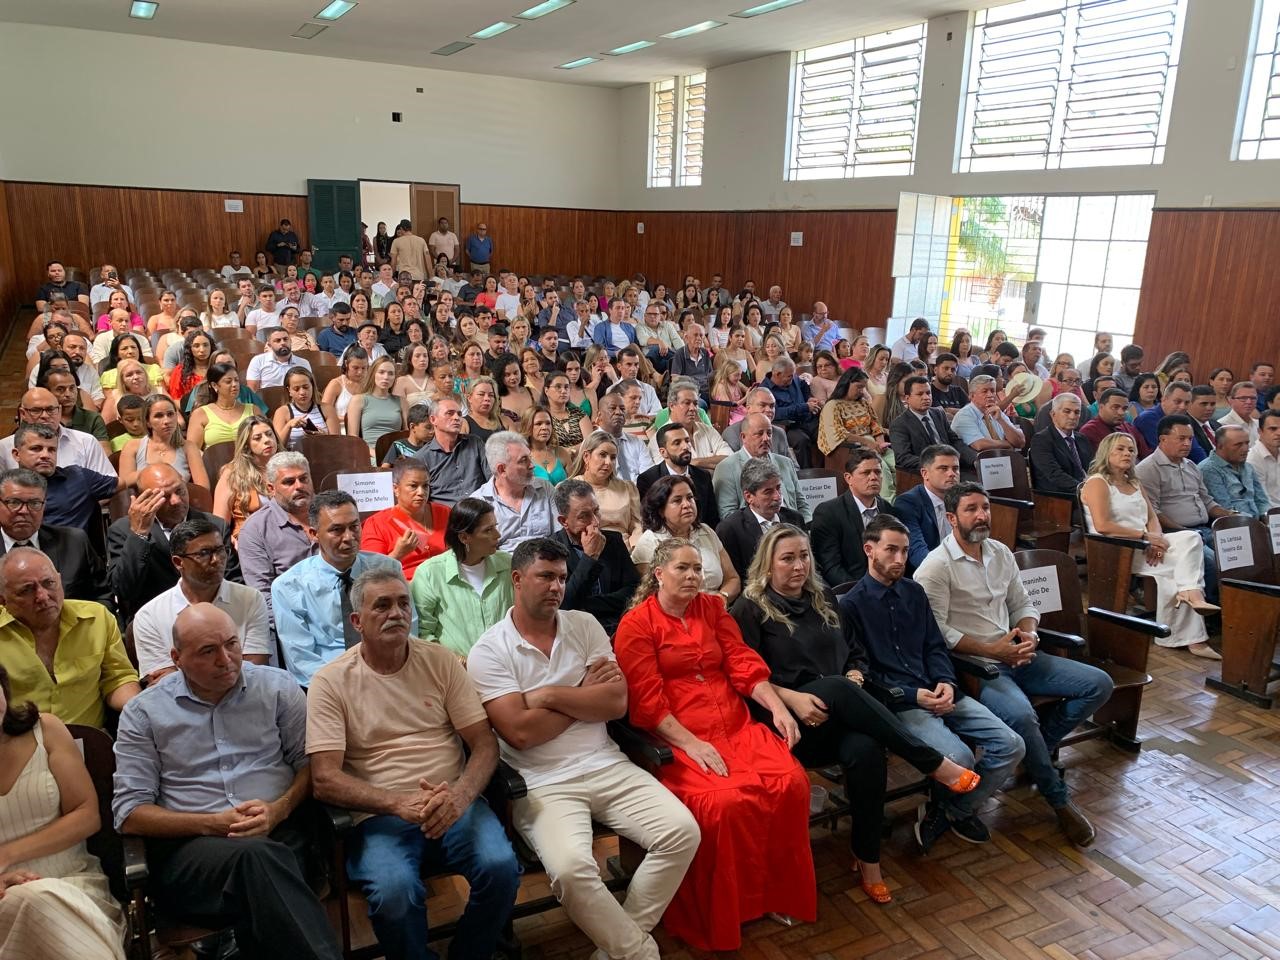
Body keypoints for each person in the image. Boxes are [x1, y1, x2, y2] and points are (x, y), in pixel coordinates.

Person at [467, 538, 699, 960]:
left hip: (606, 762)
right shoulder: (489, 650)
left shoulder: (584, 625)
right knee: (572, 871)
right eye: (545, 577)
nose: (557, 587)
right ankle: (638, 952)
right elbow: (520, 733)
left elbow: (615, 703)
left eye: (562, 578)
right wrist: (582, 694)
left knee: (682, 833)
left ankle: (619, 947)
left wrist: (549, 695)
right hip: (542, 781)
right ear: (517, 579)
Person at [730, 526, 980, 900]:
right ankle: (932, 762)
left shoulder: (824, 598)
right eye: (787, 558)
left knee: (866, 750)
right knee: (836, 688)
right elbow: (746, 679)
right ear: (767, 564)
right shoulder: (749, 609)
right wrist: (793, 699)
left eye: (804, 556)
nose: (798, 566)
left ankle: (868, 857)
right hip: (789, 722)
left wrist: (855, 674)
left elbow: (855, 653)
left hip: (841, 712)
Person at [613, 538, 815, 951]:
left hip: (736, 726)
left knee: (790, 784)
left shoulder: (712, 608)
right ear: (658, 574)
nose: (693, 576)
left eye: (697, 569)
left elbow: (742, 664)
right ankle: (726, 910)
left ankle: (772, 896)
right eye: (682, 568)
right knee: (723, 804)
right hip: (679, 735)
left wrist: (777, 707)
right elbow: (647, 702)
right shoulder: (637, 624)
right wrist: (692, 744)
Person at [307, 568, 519, 959]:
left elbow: (484, 743)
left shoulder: (440, 661)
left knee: (502, 868)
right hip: (379, 815)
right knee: (394, 893)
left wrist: (460, 797)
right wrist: (397, 803)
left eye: (404, 604)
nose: (396, 613)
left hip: (452, 801)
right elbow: (324, 779)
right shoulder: (331, 682)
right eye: (382, 605)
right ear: (356, 621)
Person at [113, 603, 341, 959]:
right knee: (259, 862)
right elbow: (129, 813)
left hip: (279, 833)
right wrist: (212, 824)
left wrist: (280, 809)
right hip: (194, 855)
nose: (226, 660)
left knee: (267, 872)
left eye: (232, 644)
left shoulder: (277, 687)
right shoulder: (145, 712)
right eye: (208, 651)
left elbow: (310, 765)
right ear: (176, 658)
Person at [914, 484, 1111, 847]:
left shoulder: (1000, 552)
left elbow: (1023, 604)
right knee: (1022, 717)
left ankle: (1036, 752)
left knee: (1099, 684)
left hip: (1017, 654)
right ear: (952, 518)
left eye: (985, 508)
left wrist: (1030, 634)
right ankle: (1057, 798)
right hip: (979, 667)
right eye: (971, 509)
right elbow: (936, 631)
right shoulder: (936, 567)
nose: (982, 515)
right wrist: (993, 650)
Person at [840, 516, 1026, 852]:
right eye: (891, 550)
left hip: (940, 689)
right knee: (960, 757)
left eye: (904, 551)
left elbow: (935, 646)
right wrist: (915, 695)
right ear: (869, 550)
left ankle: (951, 810)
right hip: (901, 703)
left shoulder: (914, 592)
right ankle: (951, 808)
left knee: (1012, 744)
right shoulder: (851, 606)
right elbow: (862, 672)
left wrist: (946, 682)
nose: (900, 559)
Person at [0, 665, 127, 959]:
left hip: (74, 884)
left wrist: (6, 855)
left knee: (41, 898)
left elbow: (87, 815)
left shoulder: (45, 729)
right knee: (34, 899)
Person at [1081, 433, 1218, 658]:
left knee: (1191, 537)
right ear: (1106, 452)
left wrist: (1156, 539)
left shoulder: (1134, 482)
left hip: (1145, 543)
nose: (1127, 453)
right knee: (1179, 566)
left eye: (1131, 450)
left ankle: (1190, 594)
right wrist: (1146, 537)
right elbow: (1103, 525)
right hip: (1117, 549)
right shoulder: (1097, 482)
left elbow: (1152, 516)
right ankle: (1194, 635)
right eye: (1120, 449)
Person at [272, 491, 409, 686]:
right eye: (337, 530)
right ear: (314, 534)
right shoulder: (290, 586)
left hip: (392, 676)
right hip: (330, 684)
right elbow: (302, 660)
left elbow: (408, 631)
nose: (349, 537)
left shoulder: (388, 569)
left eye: (354, 527)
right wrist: (345, 687)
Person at [0, 547, 140, 729]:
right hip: (20, 742)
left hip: (91, 739)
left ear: (59, 580)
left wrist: (141, 709)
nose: (43, 596)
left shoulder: (97, 618)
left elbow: (118, 678)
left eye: (49, 583)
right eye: (27, 590)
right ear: (3, 600)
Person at [131, 518, 272, 684]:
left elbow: (254, 671)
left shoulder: (250, 599)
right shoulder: (150, 616)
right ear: (178, 562)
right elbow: (165, 685)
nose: (216, 560)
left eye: (220, 550)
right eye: (204, 553)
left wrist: (189, 675)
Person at [107, 464, 237, 624]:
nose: (176, 501)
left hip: (212, 617)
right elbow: (124, 590)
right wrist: (140, 534)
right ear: (144, 498)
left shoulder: (215, 525)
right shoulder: (123, 531)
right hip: (155, 620)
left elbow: (232, 581)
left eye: (179, 490)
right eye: (164, 496)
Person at [1135, 414, 1232, 602]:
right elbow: (1153, 512)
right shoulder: (1148, 469)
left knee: (1239, 554)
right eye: (1181, 438)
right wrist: (1185, 531)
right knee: (1213, 563)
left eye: (1190, 439)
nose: (1187, 444)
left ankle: (1235, 605)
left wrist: (1229, 515)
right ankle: (1210, 609)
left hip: (1205, 529)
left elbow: (1207, 501)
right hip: (1175, 533)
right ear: (1163, 439)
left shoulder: (1191, 466)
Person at [410, 498, 513, 657]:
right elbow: (422, 633)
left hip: (508, 661)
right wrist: (455, 661)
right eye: (488, 530)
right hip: (453, 667)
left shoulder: (508, 564)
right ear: (464, 537)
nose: (498, 535)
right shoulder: (430, 574)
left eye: (495, 527)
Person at [0, 468, 110, 606]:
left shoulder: (74, 542)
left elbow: (104, 597)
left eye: (34, 503)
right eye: (14, 503)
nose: (24, 511)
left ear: (44, 506)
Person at [548, 480, 640, 635]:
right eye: (584, 516)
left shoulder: (613, 540)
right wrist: (590, 558)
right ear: (564, 521)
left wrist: (587, 605)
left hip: (618, 625)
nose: (596, 522)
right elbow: (564, 604)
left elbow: (634, 590)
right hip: (573, 631)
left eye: (596, 511)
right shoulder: (551, 550)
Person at [633, 473, 740, 604]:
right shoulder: (649, 542)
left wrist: (721, 598)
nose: (687, 504)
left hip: (718, 606)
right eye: (677, 500)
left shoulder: (706, 531)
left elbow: (733, 579)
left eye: (690, 498)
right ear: (660, 510)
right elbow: (652, 593)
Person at [238, 452, 316, 622]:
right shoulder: (255, 530)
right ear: (271, 489)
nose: (299, 486)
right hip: (291, 623)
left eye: (304, 479)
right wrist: (301, 628)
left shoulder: (330, 513)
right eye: (289, 482)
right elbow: (262, 596)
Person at [10, 424, 119, 534]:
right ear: (16, 454)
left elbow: (125, 482)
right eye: (36, 449)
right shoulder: (5, 488)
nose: (45, 455)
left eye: (51, 450)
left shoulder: (79, 478)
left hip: (70, 543)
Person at [715, 458, 806, 585]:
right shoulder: (730, 529)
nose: (777, 497)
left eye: (778, 488)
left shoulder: (794, 519)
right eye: (768, 492)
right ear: (749, 497)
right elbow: (735, 580)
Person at [811, 447, 893, 587]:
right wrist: (864, 592)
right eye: (866, 473)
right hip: (849, 590)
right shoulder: (828, 513)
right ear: (848, 478)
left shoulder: (888, 509)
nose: (873, 477)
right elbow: (830, 568)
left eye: (877, 472)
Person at [467, 431, 558, 553]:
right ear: (502, 469)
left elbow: (560, 535)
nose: (532, 465)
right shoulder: (479, 502)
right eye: (523, 460)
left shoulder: (545, 488)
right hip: (503, 563)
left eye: (530, 458)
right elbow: (479, 554)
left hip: (547, 559)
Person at [360, 458, 450, 581]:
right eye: (413, 486)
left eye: (425, 486)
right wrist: (397, 554)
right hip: (403, 586)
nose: (421, 492)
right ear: (396, 489)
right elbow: (369, 576)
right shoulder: (376, 524)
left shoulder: (445, 513)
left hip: (447, 582)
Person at [713, 414, 811, 523]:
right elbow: (727, 515)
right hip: (755, 530)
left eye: (769, 433)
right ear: (743, 437)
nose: (766, 438)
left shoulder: (786, 463)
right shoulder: (726, 468)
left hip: (792, 527)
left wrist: (806, 526)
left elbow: (801, 504)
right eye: (759, 434)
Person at [0, 388, 115, 476]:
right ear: (23, 414)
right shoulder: (4, 447)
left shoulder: (86, 442)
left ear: (59, 411)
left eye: (50, 410)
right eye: (36, 410)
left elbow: (108, 484)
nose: (45, 416)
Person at [637, 423, 720, 531]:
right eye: (677, 443)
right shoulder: (648, 480)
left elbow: (712, 519)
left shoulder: (703, 476)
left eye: (687, 441)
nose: (685, 446)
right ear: (663, 452)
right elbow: (650, 521)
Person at [415, 396, 490, 507]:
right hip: (446, 514)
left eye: (459, 414)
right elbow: (421, 499)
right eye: (449, 413)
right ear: (433, 420)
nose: (457, 418)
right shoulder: (422, 458)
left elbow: (493, 479)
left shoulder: (475, 443)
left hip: (480, 509)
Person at [211, 415, 276, 545]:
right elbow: (219, 524)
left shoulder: (287, 465)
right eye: (257, 438)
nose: (267, 440)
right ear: (246, 445)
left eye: (269, 434)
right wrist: (232, 541)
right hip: (251, 541)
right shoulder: (232, 474)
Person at [569, 431, 643, 543]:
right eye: (602, 455)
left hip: (625, 547)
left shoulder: (627, 488)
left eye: (613, 457)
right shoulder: (570, 488)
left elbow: (637, 526)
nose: (608, 462)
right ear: (586, 456)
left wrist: (633, 548)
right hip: (586, 546)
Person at [890, 375, 968, 473]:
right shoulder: (899, 424)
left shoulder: (939, 413)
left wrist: (974, 459)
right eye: (920, 394)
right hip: (926, 473)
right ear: (907, 398)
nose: (926, 397)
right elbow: (903, 458)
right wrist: (936, 464)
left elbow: (955, 441)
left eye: (928, 393)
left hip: (953, 467)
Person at [1198, 424, 1270, 518]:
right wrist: (1255, 523)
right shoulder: (1208, 470)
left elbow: (1262, 500)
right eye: (1238, 444)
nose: (1246, 449)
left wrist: (1267, 518)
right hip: (1234, 524)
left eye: (1247, 443)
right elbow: (1225, 509)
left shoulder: (1248, 467)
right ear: (1220, 446)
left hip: (1258, 522)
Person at [1028, 393, 1094, 494]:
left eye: (1077, 412)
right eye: (1067, 411)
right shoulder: (1041, 440)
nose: (1072, 417)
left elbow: (1092, 468)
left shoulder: (1082, 438)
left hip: (1086, 491)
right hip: (1060, 497)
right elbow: (1054, 474)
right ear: (1053, 414)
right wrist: (1084, 489)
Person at [951, 374, 1025, 457]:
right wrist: (1007, 444)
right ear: (972, 396)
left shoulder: (997, 411)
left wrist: (1001, 420)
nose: (990, 395)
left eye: (992, 391)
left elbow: (1020, 442)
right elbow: (980, 444)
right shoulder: (964, 415)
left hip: (1005, 459)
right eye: (985, 391)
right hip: (979, 462)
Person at [1134, 382, 1205, 462]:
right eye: (1178, 402)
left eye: (1187, 403)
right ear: (1164, 400)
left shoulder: (1183, 420)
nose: (1182, 407)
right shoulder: (1147, 419)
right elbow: (1165, 454)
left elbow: (1196, 450)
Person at [1248, 409, 1280, 507]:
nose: (1279, 433)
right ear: (1260, 431)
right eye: (1273, 429)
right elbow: (1262, 500)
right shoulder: (1252, 459)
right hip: (1272, 512)